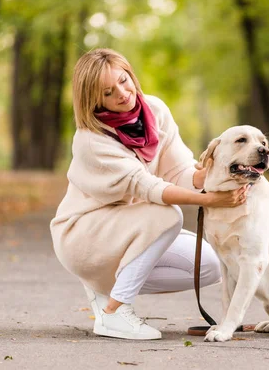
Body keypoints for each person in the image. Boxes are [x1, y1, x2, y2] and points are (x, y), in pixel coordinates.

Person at [50, 48, 249, 340]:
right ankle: (114, 312)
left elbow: (179, 171)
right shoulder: (91, 141)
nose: (122, 93)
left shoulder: (155, 110)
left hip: (132, 226)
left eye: (123, 80)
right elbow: (150, 188)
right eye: (108, 92)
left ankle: (103, 287)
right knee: (166, 214)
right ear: (93, 100)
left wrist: (221, 168)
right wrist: (209, 200)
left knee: (210, 265)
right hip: (84, 232)